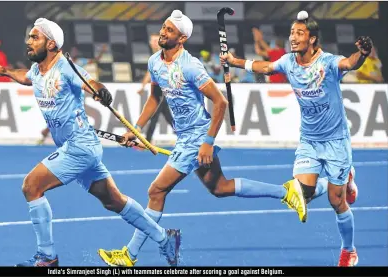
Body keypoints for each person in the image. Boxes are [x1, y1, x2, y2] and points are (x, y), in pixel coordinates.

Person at [97, 10, 307, 267]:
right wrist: (137, 129)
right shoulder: (154, 62)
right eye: (164, 27)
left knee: (156, 190)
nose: (163, 32)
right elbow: (155, 98)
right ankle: (285, 192)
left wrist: (207, 141)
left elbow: (220, 102)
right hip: (184, 136)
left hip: (197, 137)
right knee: (220, 188)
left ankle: (130, 255)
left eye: (170, 31)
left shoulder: (190, 65)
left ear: (182, 38)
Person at [0, 17, 181, 267]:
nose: (29, 41)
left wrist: (100, 90)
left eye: (35, 37)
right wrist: (4, 71)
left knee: (31, 186)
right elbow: (27, 77)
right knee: (114, 200)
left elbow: (90, 82)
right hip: (78, 146)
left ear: (52, 43)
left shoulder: (65, 66)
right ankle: (165, 239)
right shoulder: (38, 69)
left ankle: (47, 257)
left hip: (79, 148)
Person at [219, 11, 365, 266]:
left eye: (299, 33)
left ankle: (349, 250)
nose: (293, 38)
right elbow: (264, 67)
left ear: (313, 39)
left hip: (336, 142)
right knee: (301, 195)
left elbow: (350, 64)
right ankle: (344, 178)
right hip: (309, 140)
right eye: (291, 33)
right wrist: (234, 61)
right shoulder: (288, 62)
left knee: (336, 201)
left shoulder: (328, 62)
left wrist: (361, 54)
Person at [137, 33, 174, 143]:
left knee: (154, 115)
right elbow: (149, 73)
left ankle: (147, 142)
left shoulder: (164, 53)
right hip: (159, 90)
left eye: (155, 40)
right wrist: (143, 87)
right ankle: (185, 137)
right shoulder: (154, 56)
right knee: (167, 117)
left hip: (164, 89)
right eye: (151, 41)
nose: (153, 43)